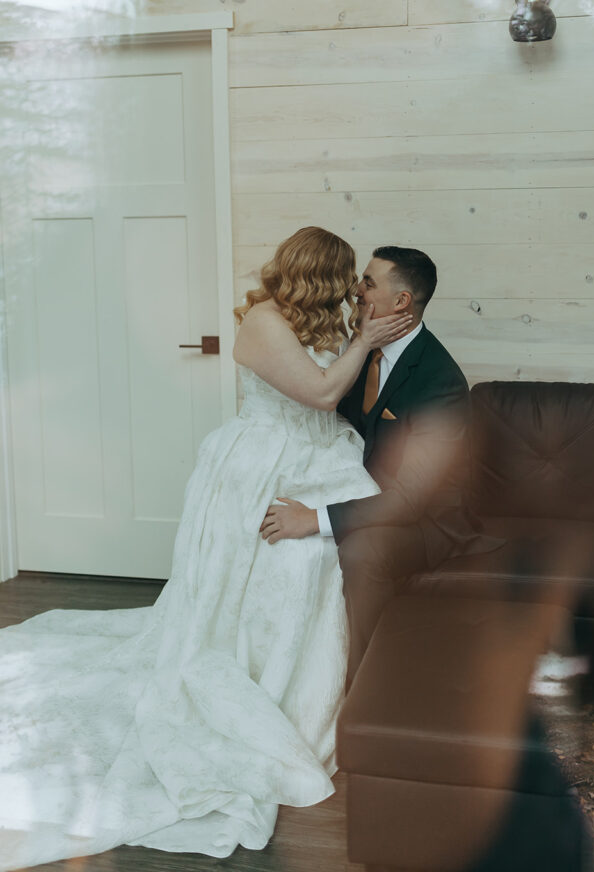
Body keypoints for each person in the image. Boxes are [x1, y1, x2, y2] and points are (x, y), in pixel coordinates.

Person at [0, 227, 411, 871]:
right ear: (320, 276)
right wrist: (363, 340)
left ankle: (308, 690)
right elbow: (323, 392)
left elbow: (340, 403)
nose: (354, 292)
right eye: (347, 280)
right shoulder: (262, 323)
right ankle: (246, 681)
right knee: (256, 580)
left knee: (316, 569)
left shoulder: (324, 317)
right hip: (261, 464)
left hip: (319, 459)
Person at [260, 246, 504, 681]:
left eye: (368, 283)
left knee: (360, 551)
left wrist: (314, 518)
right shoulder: (361, 351)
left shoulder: (439, 381)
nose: (356, 290)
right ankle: (288, 673)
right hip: (360, 494)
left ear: (401, 303)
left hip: (425, 522)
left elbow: (410, 499)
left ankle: (369, 686)